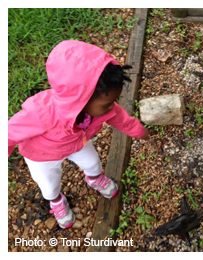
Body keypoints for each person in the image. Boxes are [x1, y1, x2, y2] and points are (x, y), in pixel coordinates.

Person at [8, 40, 149, 229]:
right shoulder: (40, 113)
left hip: (76, 143)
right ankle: (56, 201)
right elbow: (9, 133)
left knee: (92, 162)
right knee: (49, 185)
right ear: (80, 100)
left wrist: (137, 130)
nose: (111, 107)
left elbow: (120, 118)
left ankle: (94, 178)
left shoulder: (103, 107)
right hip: (41, 156)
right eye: (107, 104)